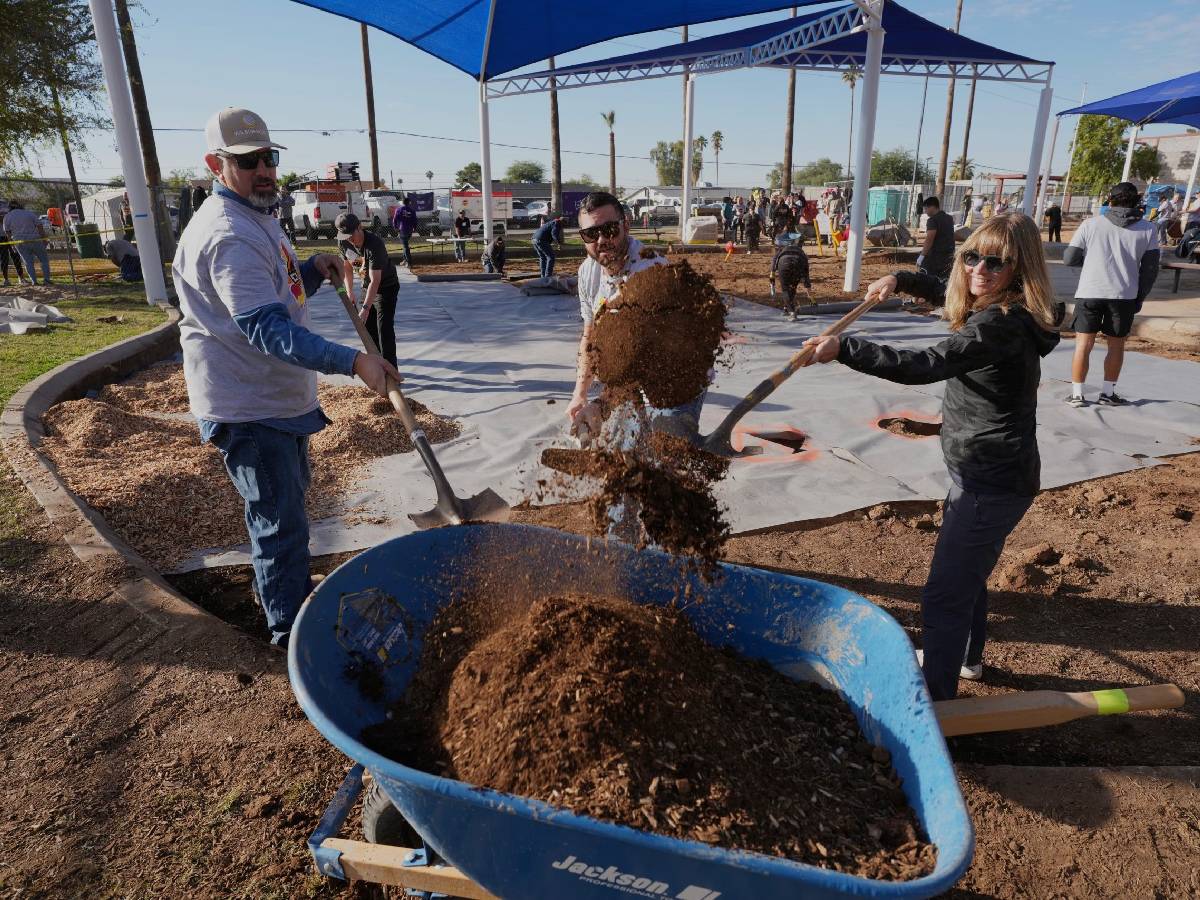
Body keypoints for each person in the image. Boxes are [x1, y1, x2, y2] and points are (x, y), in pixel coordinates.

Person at [802, 214, 1060, 700]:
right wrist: (901, 278)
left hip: (991, 481)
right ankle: (967, 659)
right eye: (971, 257)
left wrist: (844, 348)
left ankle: (935, 696)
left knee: (945, 593)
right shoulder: (998, 307)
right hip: (983, 472)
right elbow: (946, 284)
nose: (978, 270)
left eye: (995, 262)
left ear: (1019, 269)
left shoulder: (999, 327)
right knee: (969, 574)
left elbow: (926, 364)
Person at [171, 106, 399, 647]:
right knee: (279, 520)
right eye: (248, 161)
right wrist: (354, 361)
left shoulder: (255, 214)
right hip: (250, 406)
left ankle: (284, 587)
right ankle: (285, 632)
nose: (265, 170)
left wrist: (309, 271)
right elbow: (264, 329)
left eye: (269, 157)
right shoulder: (228, 233)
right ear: (215, 164)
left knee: (288, 505)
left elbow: (270, 293)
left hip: (275, 398)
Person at [566, 191, 699, 540]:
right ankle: (620, 554)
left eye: (609, 230)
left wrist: (601, 405)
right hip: (630, 381)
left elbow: (646, 362)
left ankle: (666, 562)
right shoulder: (588, 272)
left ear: (625, 225)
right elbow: (590, 336)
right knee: (620, 465)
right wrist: (580, 395)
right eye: (590, 235)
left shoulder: (653, 273)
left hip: (675, 381)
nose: (601, 241)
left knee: (659, 471)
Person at [1063, 181, 1160, 407]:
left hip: (1090, 291)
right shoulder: (1148, 229)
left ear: (1110, 200)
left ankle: (1077, 395)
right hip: (1124, 294)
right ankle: (1108, 393)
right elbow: (1150, 270)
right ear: (1137, 201)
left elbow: (1069, 259)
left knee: (1083, 345)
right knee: (1116, 346)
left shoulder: (1091, 224)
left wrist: (1089, 262)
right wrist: (1140, 297)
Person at [337, 211, 400, 367]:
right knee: (367, 328)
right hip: (367, 286)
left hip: (386, 287)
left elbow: (375, 280)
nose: (350, 240)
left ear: (360, 227)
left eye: (352, 235)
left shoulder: (375, 244)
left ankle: (391, 371)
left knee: (383, 328)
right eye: (346, 236)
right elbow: (347, 267)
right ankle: (377, 364)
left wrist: (365, 308)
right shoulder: (343, 242)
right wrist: (349, 291)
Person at [3, 200, 51, 285]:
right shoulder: (29, 213)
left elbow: (7, 232)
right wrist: (44, 238)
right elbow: (39, 225)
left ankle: (34, 281)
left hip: (20, 241)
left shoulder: (7, 217)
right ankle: (47, 280)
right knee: (44, 260)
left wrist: (12, 244)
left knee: (28, 262)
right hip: (34, 239)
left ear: (9, 207)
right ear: (19, 206)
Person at [770, 236, 813, 320]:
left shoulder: (780, 251)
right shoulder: (802, 253)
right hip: (798, 264)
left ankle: (791, 312)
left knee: (786, 289)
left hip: (784, 265)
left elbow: (773, 267)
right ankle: (787, 308)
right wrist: (810, 296)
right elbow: (806, 274)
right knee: (793, 287)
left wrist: (772, 279)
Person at [918, 196, 956, 281]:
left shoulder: (932, 220)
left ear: (932, 207)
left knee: (929, 279)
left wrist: (922, 255)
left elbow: (929, 239)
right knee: (944, 280)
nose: (925, 211)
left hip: (936, 256)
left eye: (926, 208)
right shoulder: (949, 218)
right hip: (949, 255)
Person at [0, 200, 30, 286]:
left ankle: (21, 278)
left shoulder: (6, 203)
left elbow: (13, 216)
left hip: (12, 234)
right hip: (1, 236)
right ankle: (6, 279)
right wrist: (6, 217)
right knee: (4, 258)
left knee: (16, 256)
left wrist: (5, 218)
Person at [532, 214, 564, 279]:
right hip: (541, 240)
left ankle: (543, 277)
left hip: (534, 239)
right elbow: (554, 234)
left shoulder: (552, 222)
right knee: (551, 257)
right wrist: (559, 243)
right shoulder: (557, 223)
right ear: (563, 222)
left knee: (543, 257)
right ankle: (548, 276)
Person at [392, 194, 419, 268]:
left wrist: (395, 227)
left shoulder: (398, 210)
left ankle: (409, 262)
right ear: (409, 203)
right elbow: (415, 220)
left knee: (405, 246)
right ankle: (405, 260)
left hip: (402, 230)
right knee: (405, 245)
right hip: (409, 230)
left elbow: (395, 219)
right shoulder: (412, 210)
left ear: (403, 203)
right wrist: (414, 228)